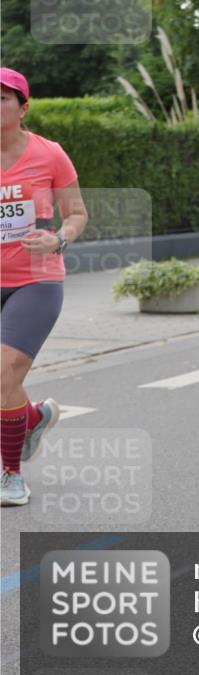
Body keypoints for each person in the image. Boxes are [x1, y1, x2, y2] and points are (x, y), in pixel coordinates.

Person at [1, 68, 88, 506]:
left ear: (23, 107)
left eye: (3, 97)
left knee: (1, 375)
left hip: (35, 280)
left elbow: (76, 213)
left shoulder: (49, 154)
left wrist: (59, 238)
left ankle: (11, 475)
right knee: (6, 384)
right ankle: (34, 417)